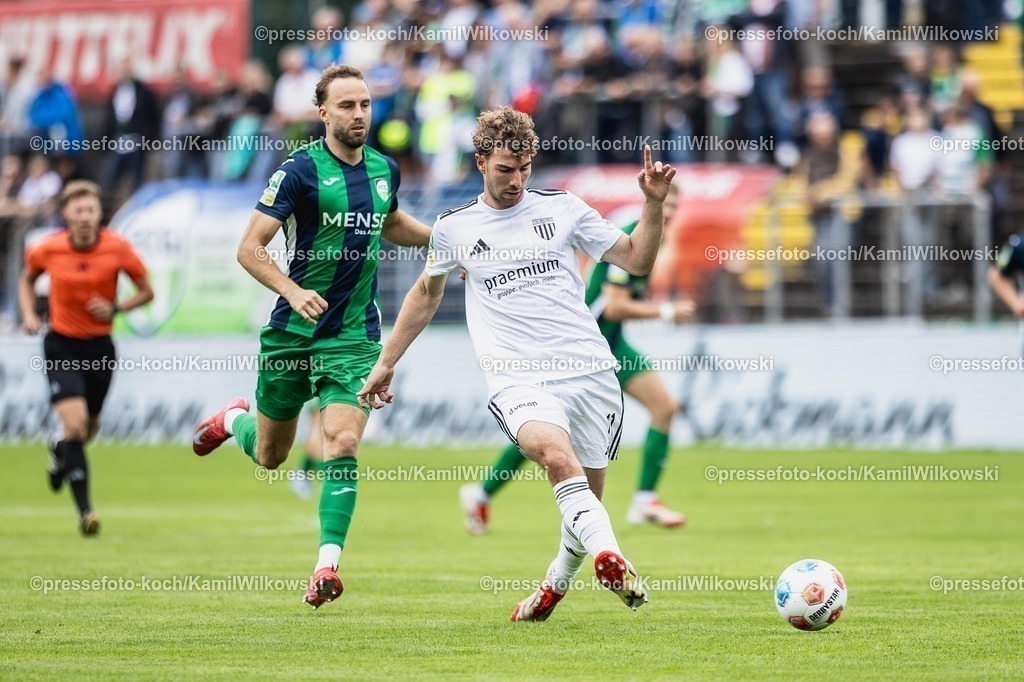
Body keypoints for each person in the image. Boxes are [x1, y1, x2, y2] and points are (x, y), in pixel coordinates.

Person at [358, 106, 676, 622]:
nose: (517, 180)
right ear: (481, 162)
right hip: (519, 377)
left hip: (591, 372)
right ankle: (610, 557)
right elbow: (425, 293)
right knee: (553, 456)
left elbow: (637, 259)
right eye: (506, 169)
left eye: (525, 168)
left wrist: (653, 204)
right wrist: (386, 361)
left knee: (584, 504)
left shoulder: (563, 208)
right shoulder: (454, 228)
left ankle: (554, 585)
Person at [191, 65, 432, 610]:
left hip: (353, 337)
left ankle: (326, 566)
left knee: (342, 440)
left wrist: (445, 243)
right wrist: (292, 289)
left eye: (366, 104)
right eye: (347, 106)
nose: (359, 115)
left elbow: (391, 222)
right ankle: (234, 419)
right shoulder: (299, 171)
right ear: (323, 112)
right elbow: (249, 248)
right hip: (292, 335)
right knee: (272, 457)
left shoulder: (383, 169)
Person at [459, 181, 693, 534]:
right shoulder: (633, 233)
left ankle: (645, 498)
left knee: (665, 407)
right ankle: (482, 492)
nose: (670, 209)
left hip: (613, 344)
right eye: (666, 201)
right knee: (550, 436)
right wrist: (665, 313)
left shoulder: (658, 239)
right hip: (583, 348)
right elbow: (613, 306)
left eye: (676, 202)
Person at [18, 180, 154, 535]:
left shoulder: (117, 247)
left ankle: (59, 448)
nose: (84, 217)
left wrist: (116, 307)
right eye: (77, 211)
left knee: (87, 431)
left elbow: (147, 291)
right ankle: (86, 512)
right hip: (61, 344)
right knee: (76, 424)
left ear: (99, 213)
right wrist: (30, 314)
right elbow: (27, 279)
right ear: (65, 214)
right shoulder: (46, 249)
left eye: (90, 210)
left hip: (100, 347)